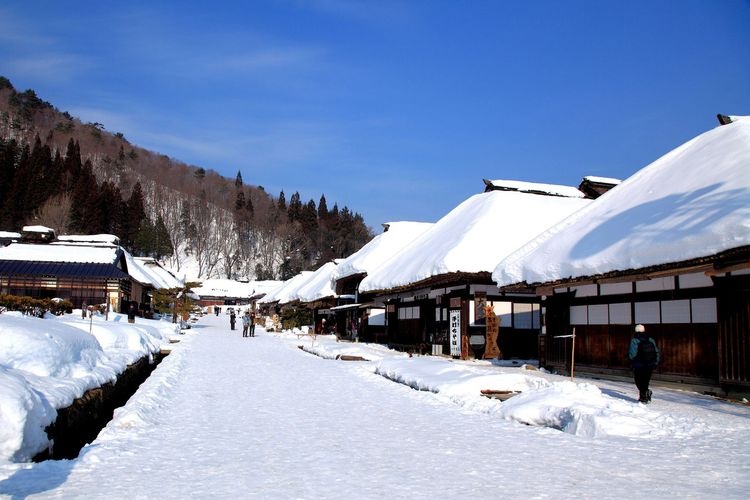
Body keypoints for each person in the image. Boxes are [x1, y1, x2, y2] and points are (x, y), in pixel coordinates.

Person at [628, 324, 660, 403]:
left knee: (638, 381)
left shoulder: (634, 340)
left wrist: (632, 361)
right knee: (645, 381)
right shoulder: (650, 339)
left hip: (639, 364)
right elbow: (656, 351)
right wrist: (656, 362)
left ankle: (643, 397)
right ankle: (645, 395)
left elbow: (632, 353)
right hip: (650, 364)